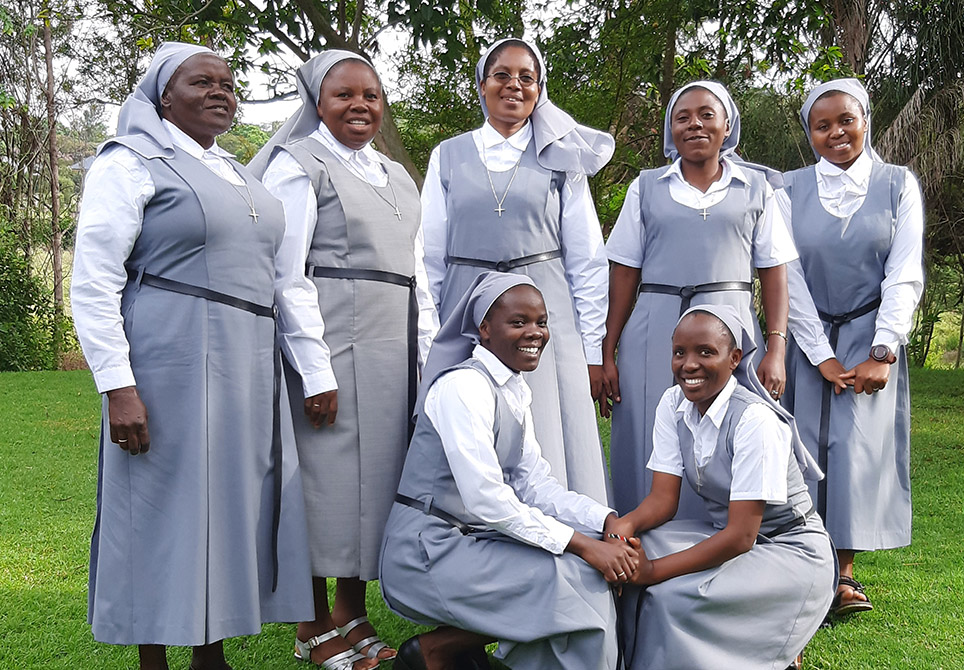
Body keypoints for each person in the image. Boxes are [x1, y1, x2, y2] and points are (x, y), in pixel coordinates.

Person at [71, 42, 335, 670]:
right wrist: (118, 387)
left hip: (246, 363)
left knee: (224, 508)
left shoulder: (238, 172)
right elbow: (94, 279)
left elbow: (282, 278)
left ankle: (209, 654)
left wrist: (308, 364)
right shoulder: (130, 163)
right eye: (201, 82)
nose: (221, 91)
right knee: (162, 507)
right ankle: (154, 660)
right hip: (171, 359)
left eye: (228, 82)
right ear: (163, 96)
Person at [249, 50, 437, 670]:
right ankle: (311, 623)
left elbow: (419, 276)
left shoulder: (396, 174)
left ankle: (351, 613)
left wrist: (427, 358)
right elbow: (287, 273)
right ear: (316, 103)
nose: (361, 106)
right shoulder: (299, 165)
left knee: (377, 482)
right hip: (332, 340)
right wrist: (315, 368)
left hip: (393, 344)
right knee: (325, 485)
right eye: (344, 95)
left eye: (372, 96)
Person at [379, 272, 636, 670]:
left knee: (581, 568)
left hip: (471, 541)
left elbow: (534, 485)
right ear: (484, 328)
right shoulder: (463, 388)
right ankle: (435, 652)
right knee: (573, 576)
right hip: (426, 551)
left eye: (541, 322)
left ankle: (452, 651)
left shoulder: (512, 388)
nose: (534, 333)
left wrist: (603, 520)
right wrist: (585, 545)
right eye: (519, 322)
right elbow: (487, 499)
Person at [421, 37, 613, 503]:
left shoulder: (561, 158)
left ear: (539, 89)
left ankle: (564, 551)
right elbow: (428, 257)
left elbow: (586, 259)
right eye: (501, 75)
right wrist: (430, 338)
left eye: (526, 77)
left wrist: (590, 349)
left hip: (544, 314)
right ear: (482, 86)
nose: (514, 85)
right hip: (470, 314)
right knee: (472, 425)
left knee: (548, 430)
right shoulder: (448, 155)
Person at [603, 80, 797, 514]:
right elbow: (623, 272)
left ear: (728, 125)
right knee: (646, 434)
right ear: (670, 130)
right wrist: (608, 349)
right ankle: (640, 547)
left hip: (732, 332)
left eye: (707, 114)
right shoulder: (646, 187)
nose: (695, 124)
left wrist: (777, 347)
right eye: (682, 117)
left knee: (729, 427)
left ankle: (722, 543)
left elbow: (773, 272)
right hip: (653, 331)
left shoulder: (756, 188)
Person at [608, 305, 835, 670]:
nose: (689, 364)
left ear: (734, 359)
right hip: (726, 533)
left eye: (705, 352)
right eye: (679, 352)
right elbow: (663, 500)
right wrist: (626, 526)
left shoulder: (755, 421)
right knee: (628, 556)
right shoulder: (673, 403)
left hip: (788, 550)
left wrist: (653, 572)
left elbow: (741, 537)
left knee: (669, 594)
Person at [778, 78, 923, 616]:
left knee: (855, 449)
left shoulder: (896, 185)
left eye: (846, 120)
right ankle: (802, 567)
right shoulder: (786, 190)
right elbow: (784, 276)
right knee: (803, 448)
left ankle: (843, 575)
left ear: (865, 119)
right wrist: (819, 354)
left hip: (870, 333)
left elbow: (904, 273)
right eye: (823, 125)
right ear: (809, 133)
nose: (836, 132)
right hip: (804, 334)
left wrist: (883, 351)